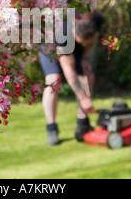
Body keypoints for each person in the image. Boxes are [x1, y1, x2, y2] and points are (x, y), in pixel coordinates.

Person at [38, 12, 104, 146]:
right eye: (82, 42)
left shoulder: (94, 21)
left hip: (74, 46)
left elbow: (91, 40)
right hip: (50, 47)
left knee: (88, 77)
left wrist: (85, 57)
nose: (85, 45)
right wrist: (84, 98)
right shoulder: (64, 32)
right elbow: (69, 72)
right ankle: (51, 128)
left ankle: (82, 125)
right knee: (53, 81)